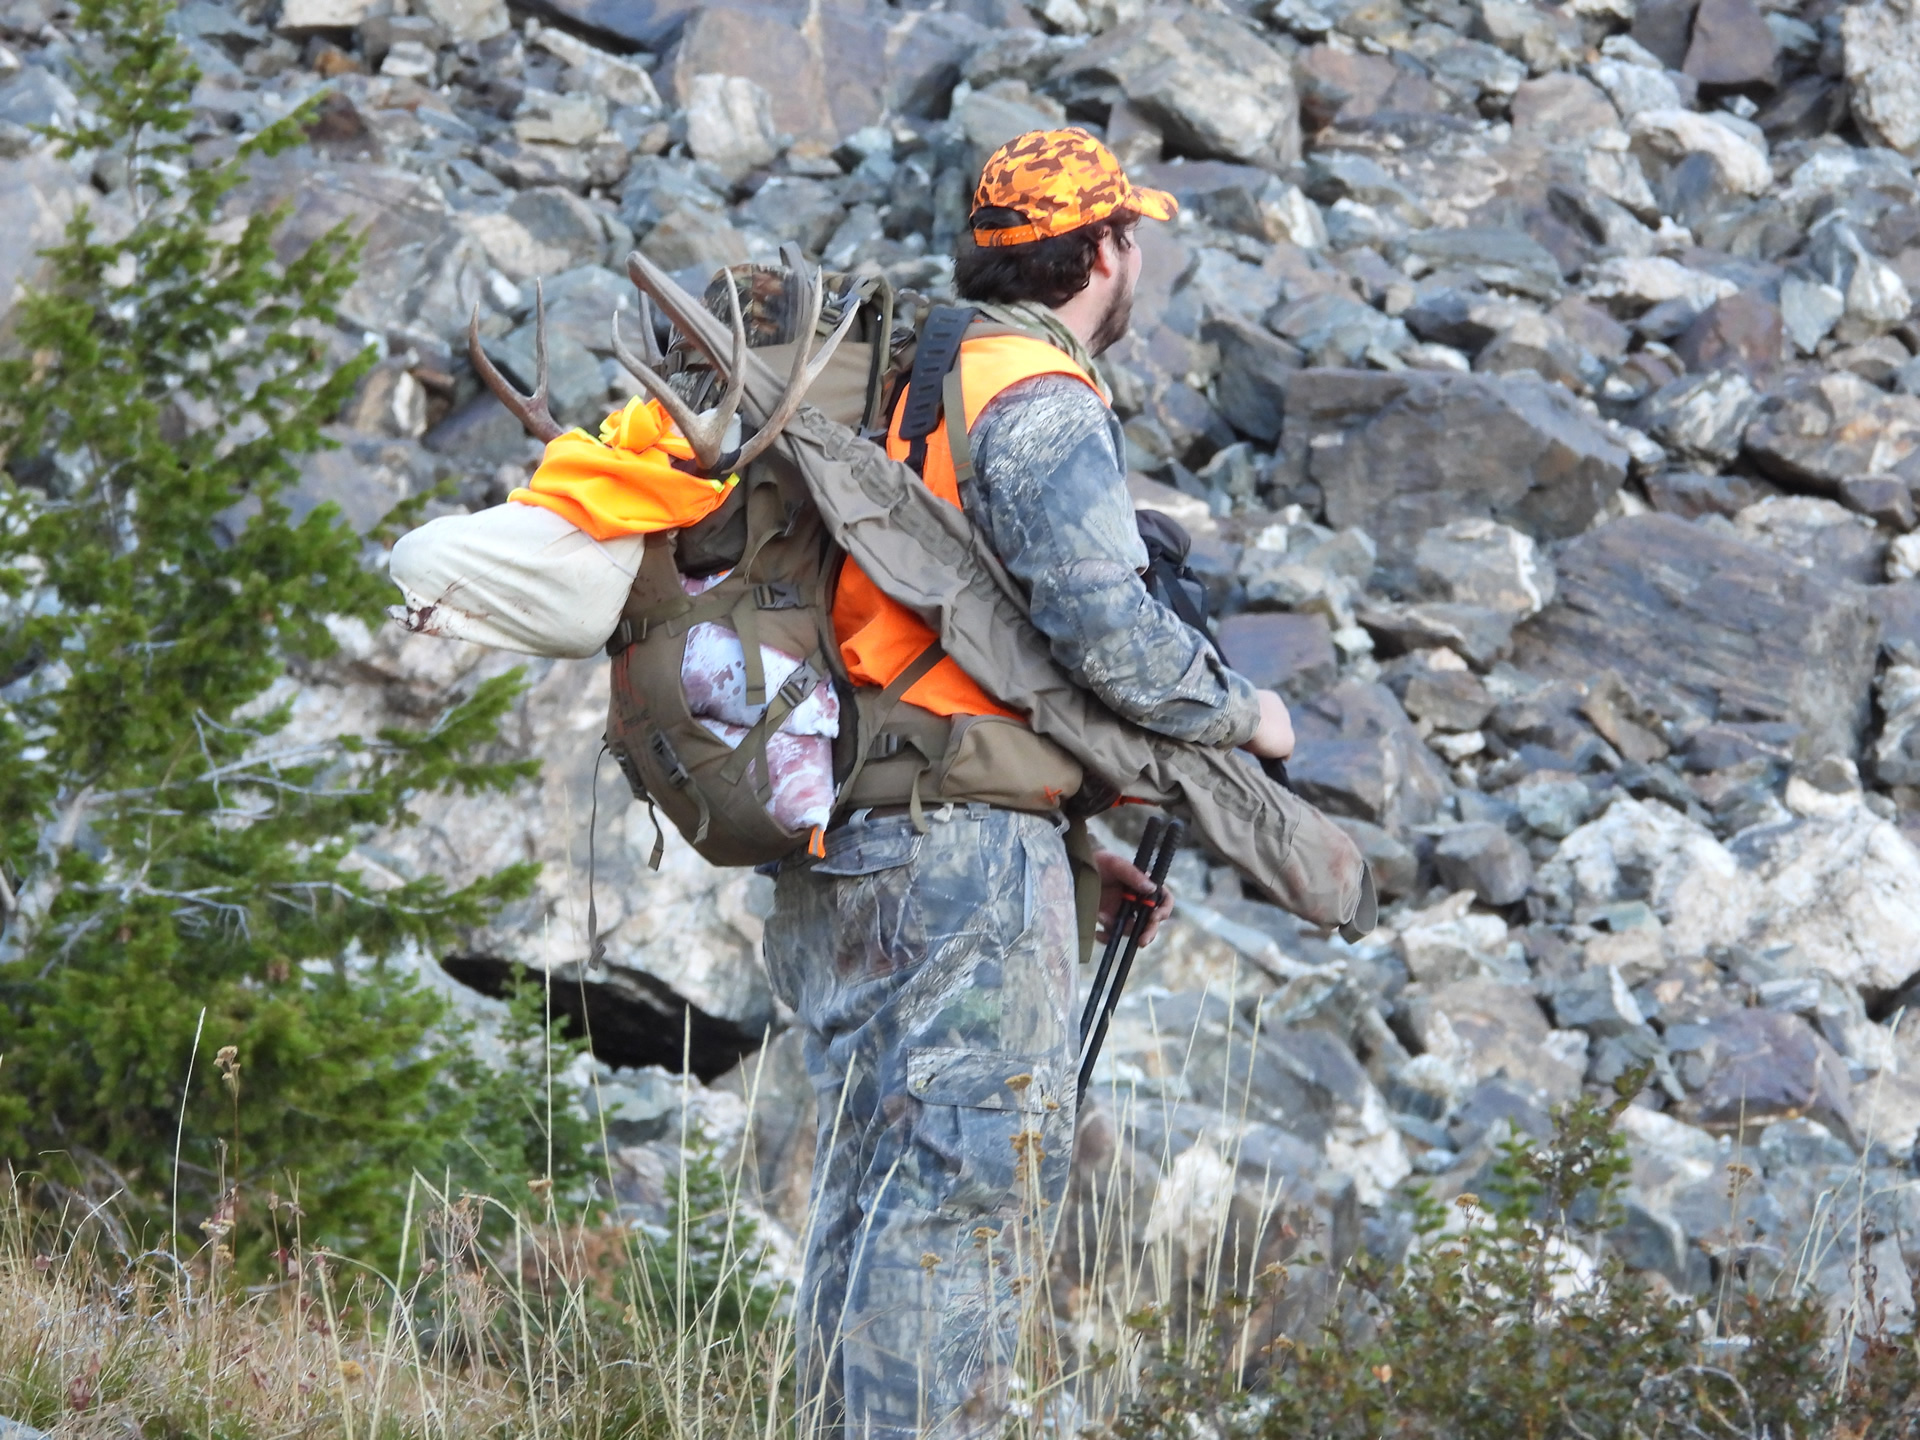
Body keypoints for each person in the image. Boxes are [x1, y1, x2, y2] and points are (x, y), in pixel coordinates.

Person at [761, 128, 1298, 1440]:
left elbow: (941, 640)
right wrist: (1251, 714)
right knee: (964, 1190)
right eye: (1133, 238)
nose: (1138, 260)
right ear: (1104, 252)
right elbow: (1107, 633)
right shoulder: (1040, 397)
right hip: (956, 856)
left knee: (876, 1184)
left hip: (863, 829)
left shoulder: (917, 381)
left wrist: (1062, 843)